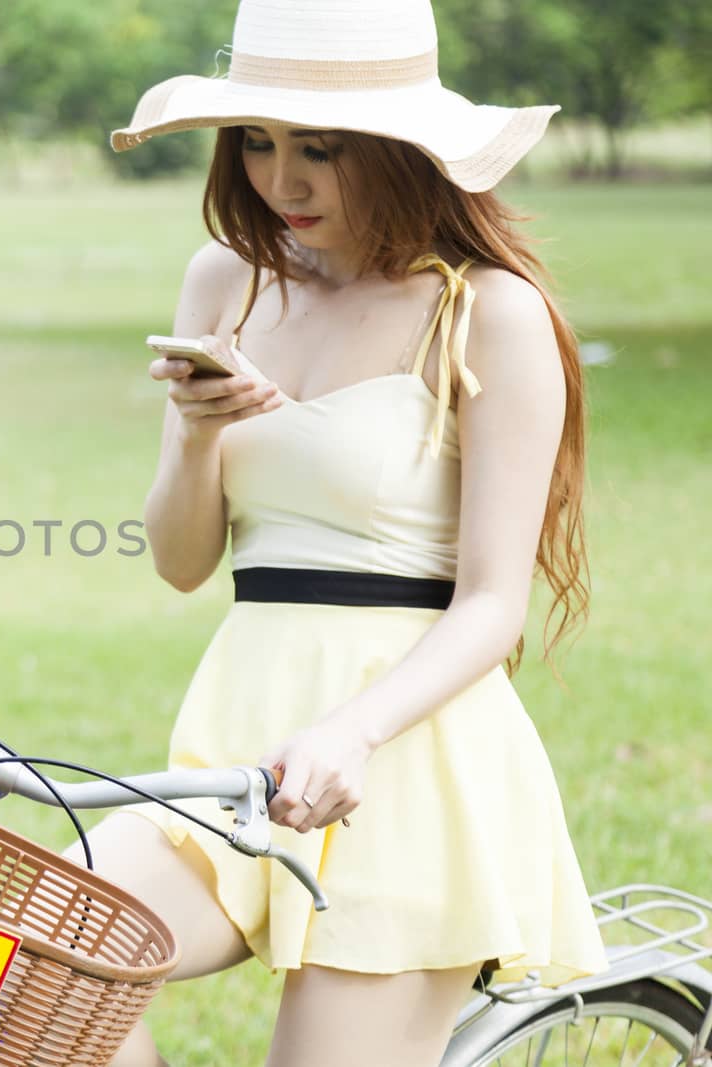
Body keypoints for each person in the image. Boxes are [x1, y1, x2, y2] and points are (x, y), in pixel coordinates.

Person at [70, 1, 611, 1064]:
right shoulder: (226, 277)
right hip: (237, 749)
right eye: (259, 144)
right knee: (25, 959)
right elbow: (185, 564)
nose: (283, 182)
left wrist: (352, 730)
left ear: (404, 153)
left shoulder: (487, 311)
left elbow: (493, 601)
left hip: (407, 761)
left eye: (320, 149)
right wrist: (192, 435)